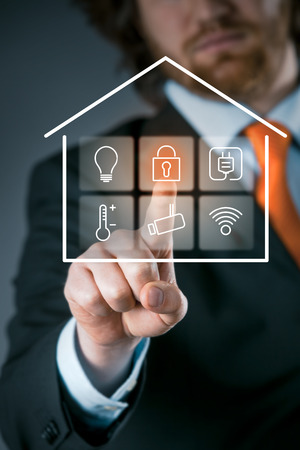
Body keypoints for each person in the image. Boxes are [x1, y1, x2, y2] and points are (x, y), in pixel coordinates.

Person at [1, 0, 300, 449]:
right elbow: (25, 412)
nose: (210, 8)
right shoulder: (84, 181)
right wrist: (99, 347)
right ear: (132, 15)